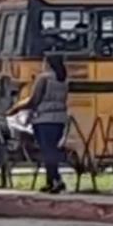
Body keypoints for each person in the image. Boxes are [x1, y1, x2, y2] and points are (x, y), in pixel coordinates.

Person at [8, 53, 70, 194]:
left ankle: (55, 180)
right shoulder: (63, 80)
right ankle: (52, 181)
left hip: (43, 119)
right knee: (52, 150)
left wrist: (16, 108)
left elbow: (33, 100)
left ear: (47, 63)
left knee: (47, 151)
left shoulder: (43, 78)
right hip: (59, 119)